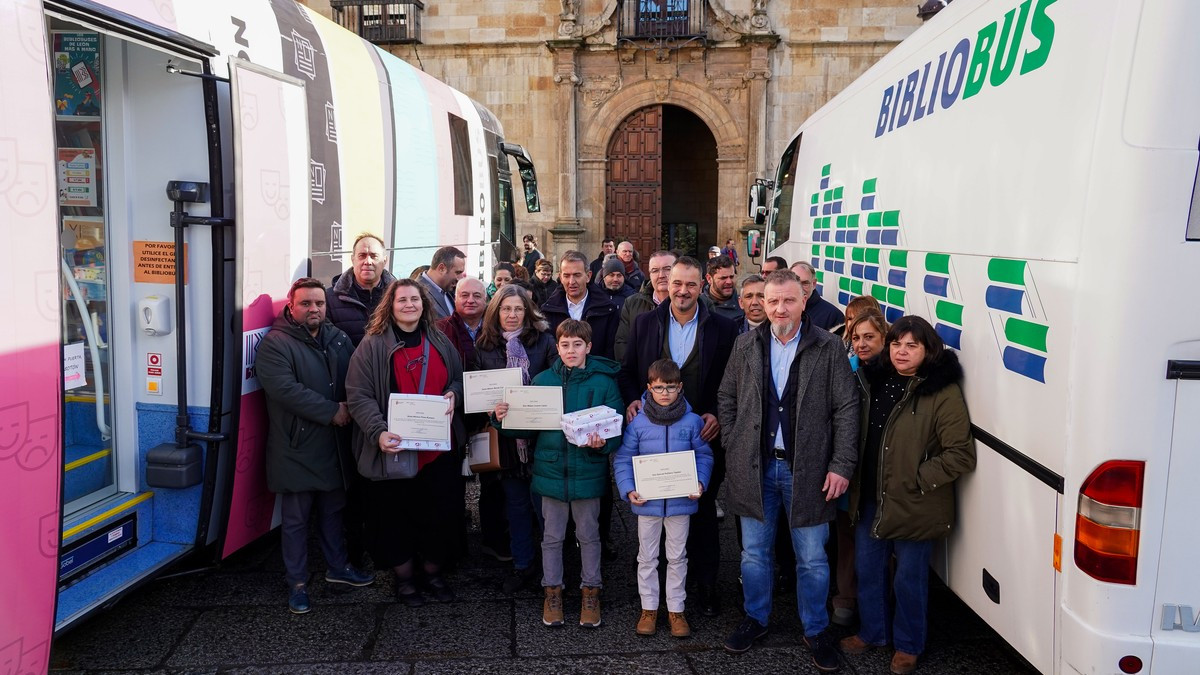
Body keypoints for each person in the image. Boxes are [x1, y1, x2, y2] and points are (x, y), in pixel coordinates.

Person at [717, 269, 859, 672]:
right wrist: (733, 439)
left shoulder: (828, 346)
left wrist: (841, 465)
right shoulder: (746, 344)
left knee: (812, 558)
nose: (779, 308)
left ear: (802, 301)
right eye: (772, 300)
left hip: (809, 471)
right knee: (754, 554)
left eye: (788, 300)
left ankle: (815, 630)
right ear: (762, 302)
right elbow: (727, 396)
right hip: (755, 467)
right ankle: (755, 620)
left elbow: (846, 410)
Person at [841, 315, 975, 675]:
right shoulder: (875, 379)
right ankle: (873, 632)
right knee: (868, 570)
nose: (902, 351)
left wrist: (917, 479)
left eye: (912, 345)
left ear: (928, 349)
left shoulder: (940, 391)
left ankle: (908, 645)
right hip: (870, 496)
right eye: (897, 343)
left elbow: (960, 453)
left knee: (909, 580)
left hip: (915, 502)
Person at [619, 256, 737, 616]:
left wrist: (717, 411)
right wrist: (631, 403)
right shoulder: (644, 324)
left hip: (700, 435)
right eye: (676, 283)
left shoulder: (725, 328)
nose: (683, 291)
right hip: (653, 439)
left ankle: (704, 586)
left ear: (702, 286)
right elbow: (626, 373)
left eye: (690, 284)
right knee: (653, 515)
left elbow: (731, 381)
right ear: (666, 285)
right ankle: (654, 596)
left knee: (699, 512)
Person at [492, 319, 624, 629]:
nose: (571, 350)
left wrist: (604, 443)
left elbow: (617, 426)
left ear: (588, 347)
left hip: (587, 470)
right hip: (550, 469)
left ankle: (591, 591)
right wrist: (501, 420)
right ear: (557, 348)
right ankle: (552, 591)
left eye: (578, 344)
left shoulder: (604, 383)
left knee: (589, 535)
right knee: (551, 536)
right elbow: (526, 425)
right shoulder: (541, 381)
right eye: (565, 344)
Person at [345, 279, 466, 607]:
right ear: (391, 305)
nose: (409, 305)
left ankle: (432, 572)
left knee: (439, 513)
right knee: (394, 516)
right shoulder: (371, 346)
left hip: (437, 451)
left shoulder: (440, 340)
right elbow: (358, 395)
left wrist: (455, 392)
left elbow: (458, 376)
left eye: (415, 299)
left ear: (424, 304)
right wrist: (378, 432)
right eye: (402, 300)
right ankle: (405, 579)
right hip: (393, 450)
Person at [256, 278, 374, 614]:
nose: (314, 309)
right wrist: (333, 411)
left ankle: (338, 569)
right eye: (306, 303)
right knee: (295, 520)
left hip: (334, 445)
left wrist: (356, 405)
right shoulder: (276, 344)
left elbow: (358, 376)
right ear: (291, 305)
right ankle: (297, 583)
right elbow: (284, 390)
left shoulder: (336, 337)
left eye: (319, 304)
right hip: (297, 447)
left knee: (334, 512)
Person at [614, 358, 713, 638]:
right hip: (648, 503)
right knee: (647, 557)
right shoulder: (638, 423)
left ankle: (676, 610)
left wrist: (700, 482)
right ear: (649, 388)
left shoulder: (692, 422)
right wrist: (628, 488)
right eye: (659, 388)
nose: (665, 393)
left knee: (678, 557)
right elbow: (624, 458)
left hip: (681, 501)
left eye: (670, 387)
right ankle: (648, 608)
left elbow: (704, 455)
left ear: (680, 387)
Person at [474, 284, 558, 593]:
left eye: (518, 309)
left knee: (544, 507)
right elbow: (477, 392)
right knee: (516, 506)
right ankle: (523, 564)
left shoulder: (544, 342)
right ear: (496, 311)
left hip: (540, 437)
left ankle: (553, 568)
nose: (512, 314)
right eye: (506, 309)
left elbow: (556, 384)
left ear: (528, 311)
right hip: (506, 441)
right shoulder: (484, 346)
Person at [434, 277, 504, 563]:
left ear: (485, 300)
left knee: (492, 477)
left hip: (488, 414)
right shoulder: (440, 329)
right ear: (455, 297)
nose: (471, 300)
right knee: (451, 480)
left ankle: (493, 539)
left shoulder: (496, 329)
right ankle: (454, 542)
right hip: (453, 412)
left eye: (477, 295)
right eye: (464, 295)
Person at [831, 310, 888, 628]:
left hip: (879, 473)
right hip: (848, 469)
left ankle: (875, 608)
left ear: (884, 339)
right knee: (846, 537)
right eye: (856, 338)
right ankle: (846, 597)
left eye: (869, 337)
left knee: (876, 543)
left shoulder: (896, 375)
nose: (862, 344)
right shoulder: (846, 370)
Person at [540, 250, 619, 360]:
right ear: (560, 277)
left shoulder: (607, 310)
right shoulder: (547, 311)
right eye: (566, 276)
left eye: (577, 275)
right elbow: (547, 352)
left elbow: (611, 352)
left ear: (588, 276)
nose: (572, 282)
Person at [326, 233, 398, 347]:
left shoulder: (400, 296)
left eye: (374, 256)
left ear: (385, 260)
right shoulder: (329, 299)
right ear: (352, 259)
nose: (368, 261)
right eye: (362, 255)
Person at [614, 249, 676, 361]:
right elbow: (622, 343)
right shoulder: (632, 303)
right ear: (649, 274)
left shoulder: (691, 303)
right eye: (655, 270)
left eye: (667, 269)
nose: (661, 275)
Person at [790, 261, 844, 331]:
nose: (800, 288)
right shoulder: (780, 310)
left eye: (805, 283)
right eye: (795, 282)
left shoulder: (833, 316)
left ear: (814, 284)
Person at [419, 246, 466, 321]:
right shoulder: (417, 292)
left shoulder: (452, 291)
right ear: (441, 268)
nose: (460, 278)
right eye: (457, 272)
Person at [704, 254, 744, 324]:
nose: (729, 282)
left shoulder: (744, 305)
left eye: (731, 277)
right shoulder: (698, 305)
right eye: (723, 278)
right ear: (709, 278)